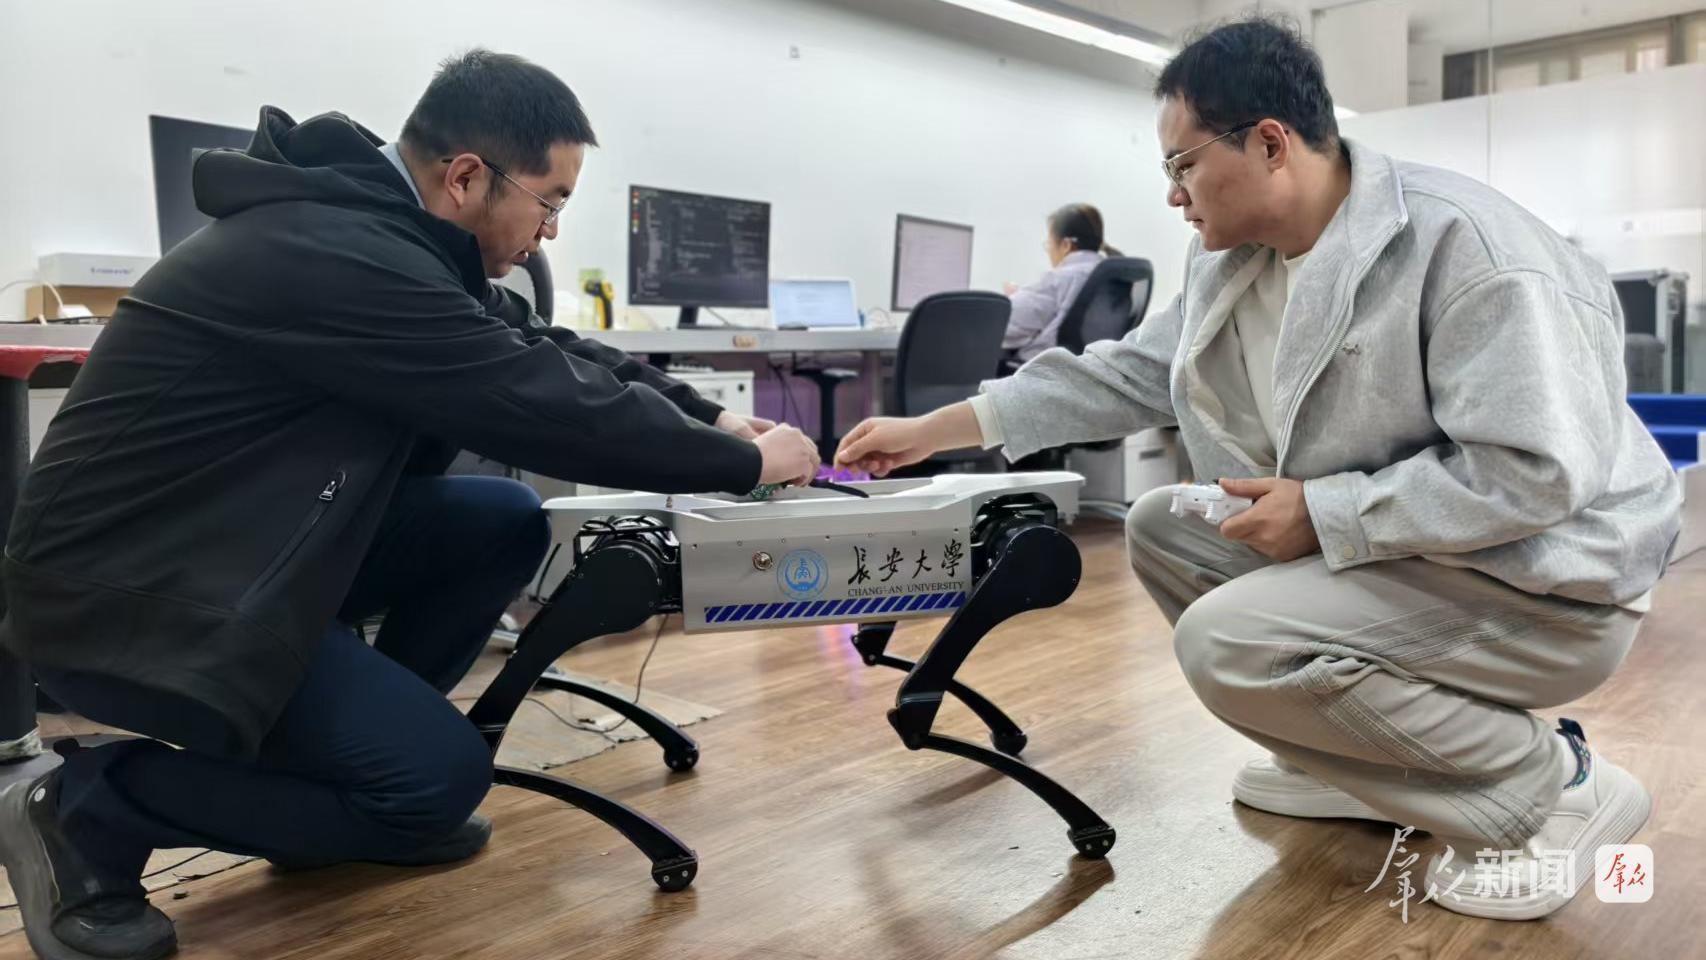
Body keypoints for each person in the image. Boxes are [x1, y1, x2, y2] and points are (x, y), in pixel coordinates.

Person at [837, 16, 1681, 921]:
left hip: (1547, 580)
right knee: (1164, 524)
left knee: (1229, 642)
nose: (1173, 195)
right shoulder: (1234, 264)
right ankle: (1360, 766)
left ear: (1271, 143)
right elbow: (1126, 373)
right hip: (1419, 552)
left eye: (1182, 164)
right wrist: (937, 428)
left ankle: (1554, 783)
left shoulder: (1467, 249)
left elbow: (1535, 477)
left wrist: (1323, 513)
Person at [0, 50, 819, 960]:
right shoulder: (336, 252)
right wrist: (740, 465)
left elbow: (544, 347)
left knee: (499, 521)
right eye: (549, 202)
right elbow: (533, 399)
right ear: (466, 177)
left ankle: (336, 783)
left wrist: (714, 418)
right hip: (126, 590)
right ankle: (87, 808)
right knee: (434, 788)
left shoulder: (387, 239)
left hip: (230, 548)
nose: (548, 231)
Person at [1000, 204, 1122, 363]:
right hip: (1090, 366)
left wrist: (1014, 299)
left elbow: (1003, 326)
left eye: (1049, 244)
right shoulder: (1109, 275)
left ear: (1066, 245)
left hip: (1040, 369)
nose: (1049, 251)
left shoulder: (1060, 278)